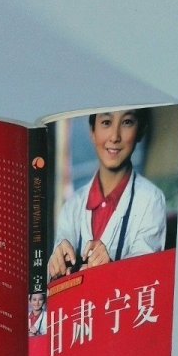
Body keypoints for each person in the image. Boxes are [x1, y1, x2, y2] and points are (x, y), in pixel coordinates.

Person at [48, 108, 166, 280]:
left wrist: (110, 268)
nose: (114, 137)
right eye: (106, 122)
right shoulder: (72, 206)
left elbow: (144, 277)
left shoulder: (151, 200)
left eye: (127, 122)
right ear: (92, 132)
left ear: (140, 131)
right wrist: (55, 266)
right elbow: (53, 277)